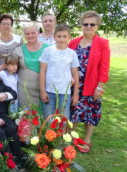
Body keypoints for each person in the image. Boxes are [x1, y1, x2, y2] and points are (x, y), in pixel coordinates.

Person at [69, 11, 110, 153]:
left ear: (97, 26)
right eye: (85, 24)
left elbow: (105, 67)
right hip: (75, 85)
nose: (88, 26)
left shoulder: (103, 43)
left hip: (92, 85)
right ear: (81, 25)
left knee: (90, 113)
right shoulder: (73, 42)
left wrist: (100, 87)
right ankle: (72, 139)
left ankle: (86, 139)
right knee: (74, 112)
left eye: (92, 24)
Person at [39, 24, 79, 119]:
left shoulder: (72, 53)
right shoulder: (48, 51)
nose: (61, 39)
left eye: (64, 36)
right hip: (49, 91)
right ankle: (49, 134)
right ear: (54, 37)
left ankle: (62, 134)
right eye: (59, 36)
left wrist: (75, 94)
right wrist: (42, 91)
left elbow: (75, 74)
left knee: (64, 119)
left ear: (69, 37)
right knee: (48, 118)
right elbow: (42, 71)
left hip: (65, 92)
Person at [13, 23, 49, 110]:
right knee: (26, 119)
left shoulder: (48, 49)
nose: (30, 36)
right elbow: (11, 69)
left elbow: (58, 67)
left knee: (44, 120)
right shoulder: (18, 51)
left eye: (33, 33)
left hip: (45, 91)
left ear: (38, 33)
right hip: (25, 91)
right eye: (27, 34)